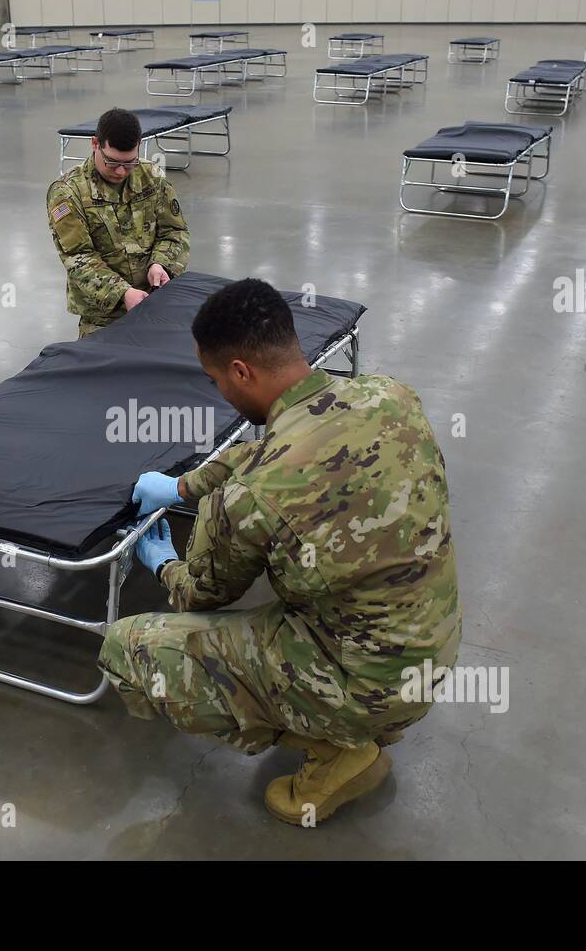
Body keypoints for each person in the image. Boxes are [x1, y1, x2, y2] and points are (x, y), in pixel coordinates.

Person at [98, 278, 461, 825]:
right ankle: (350, 725)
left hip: (370, 686)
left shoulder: (250, 500)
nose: (219, 391)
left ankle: (341, 748)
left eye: (216, 379)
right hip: (433, 650)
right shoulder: (391, 396)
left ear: (241, 371)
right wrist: (183, 487)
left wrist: (162, 562)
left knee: (130, 645)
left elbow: (202, 594)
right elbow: (273, 451)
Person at [46, 107, 190, 337]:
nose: (122, 171)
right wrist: (123, 292)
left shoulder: (152, 176)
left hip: (155, 301)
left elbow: (175, 231)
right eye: (112, 162)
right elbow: (78, 258)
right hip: (104, 316)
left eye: (130, 162)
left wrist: (161, 264)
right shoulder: (67, 192)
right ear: (95, 144)